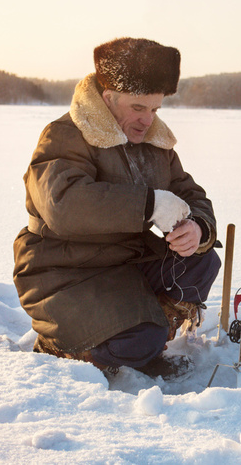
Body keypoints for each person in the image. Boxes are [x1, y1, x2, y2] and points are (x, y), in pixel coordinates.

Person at [13, 37, 221, 379]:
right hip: (65, 271)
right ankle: (68, 346)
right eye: (138, 108)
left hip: (125, 264)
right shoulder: (65, 135)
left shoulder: (154, 141)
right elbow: (62, 205)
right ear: (108, 99)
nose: (147, 120)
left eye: (155, 109)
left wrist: (196, 226)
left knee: (201, 261)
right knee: (142, 338)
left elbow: (189, 191)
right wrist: (149, 205)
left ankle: (144, 337)